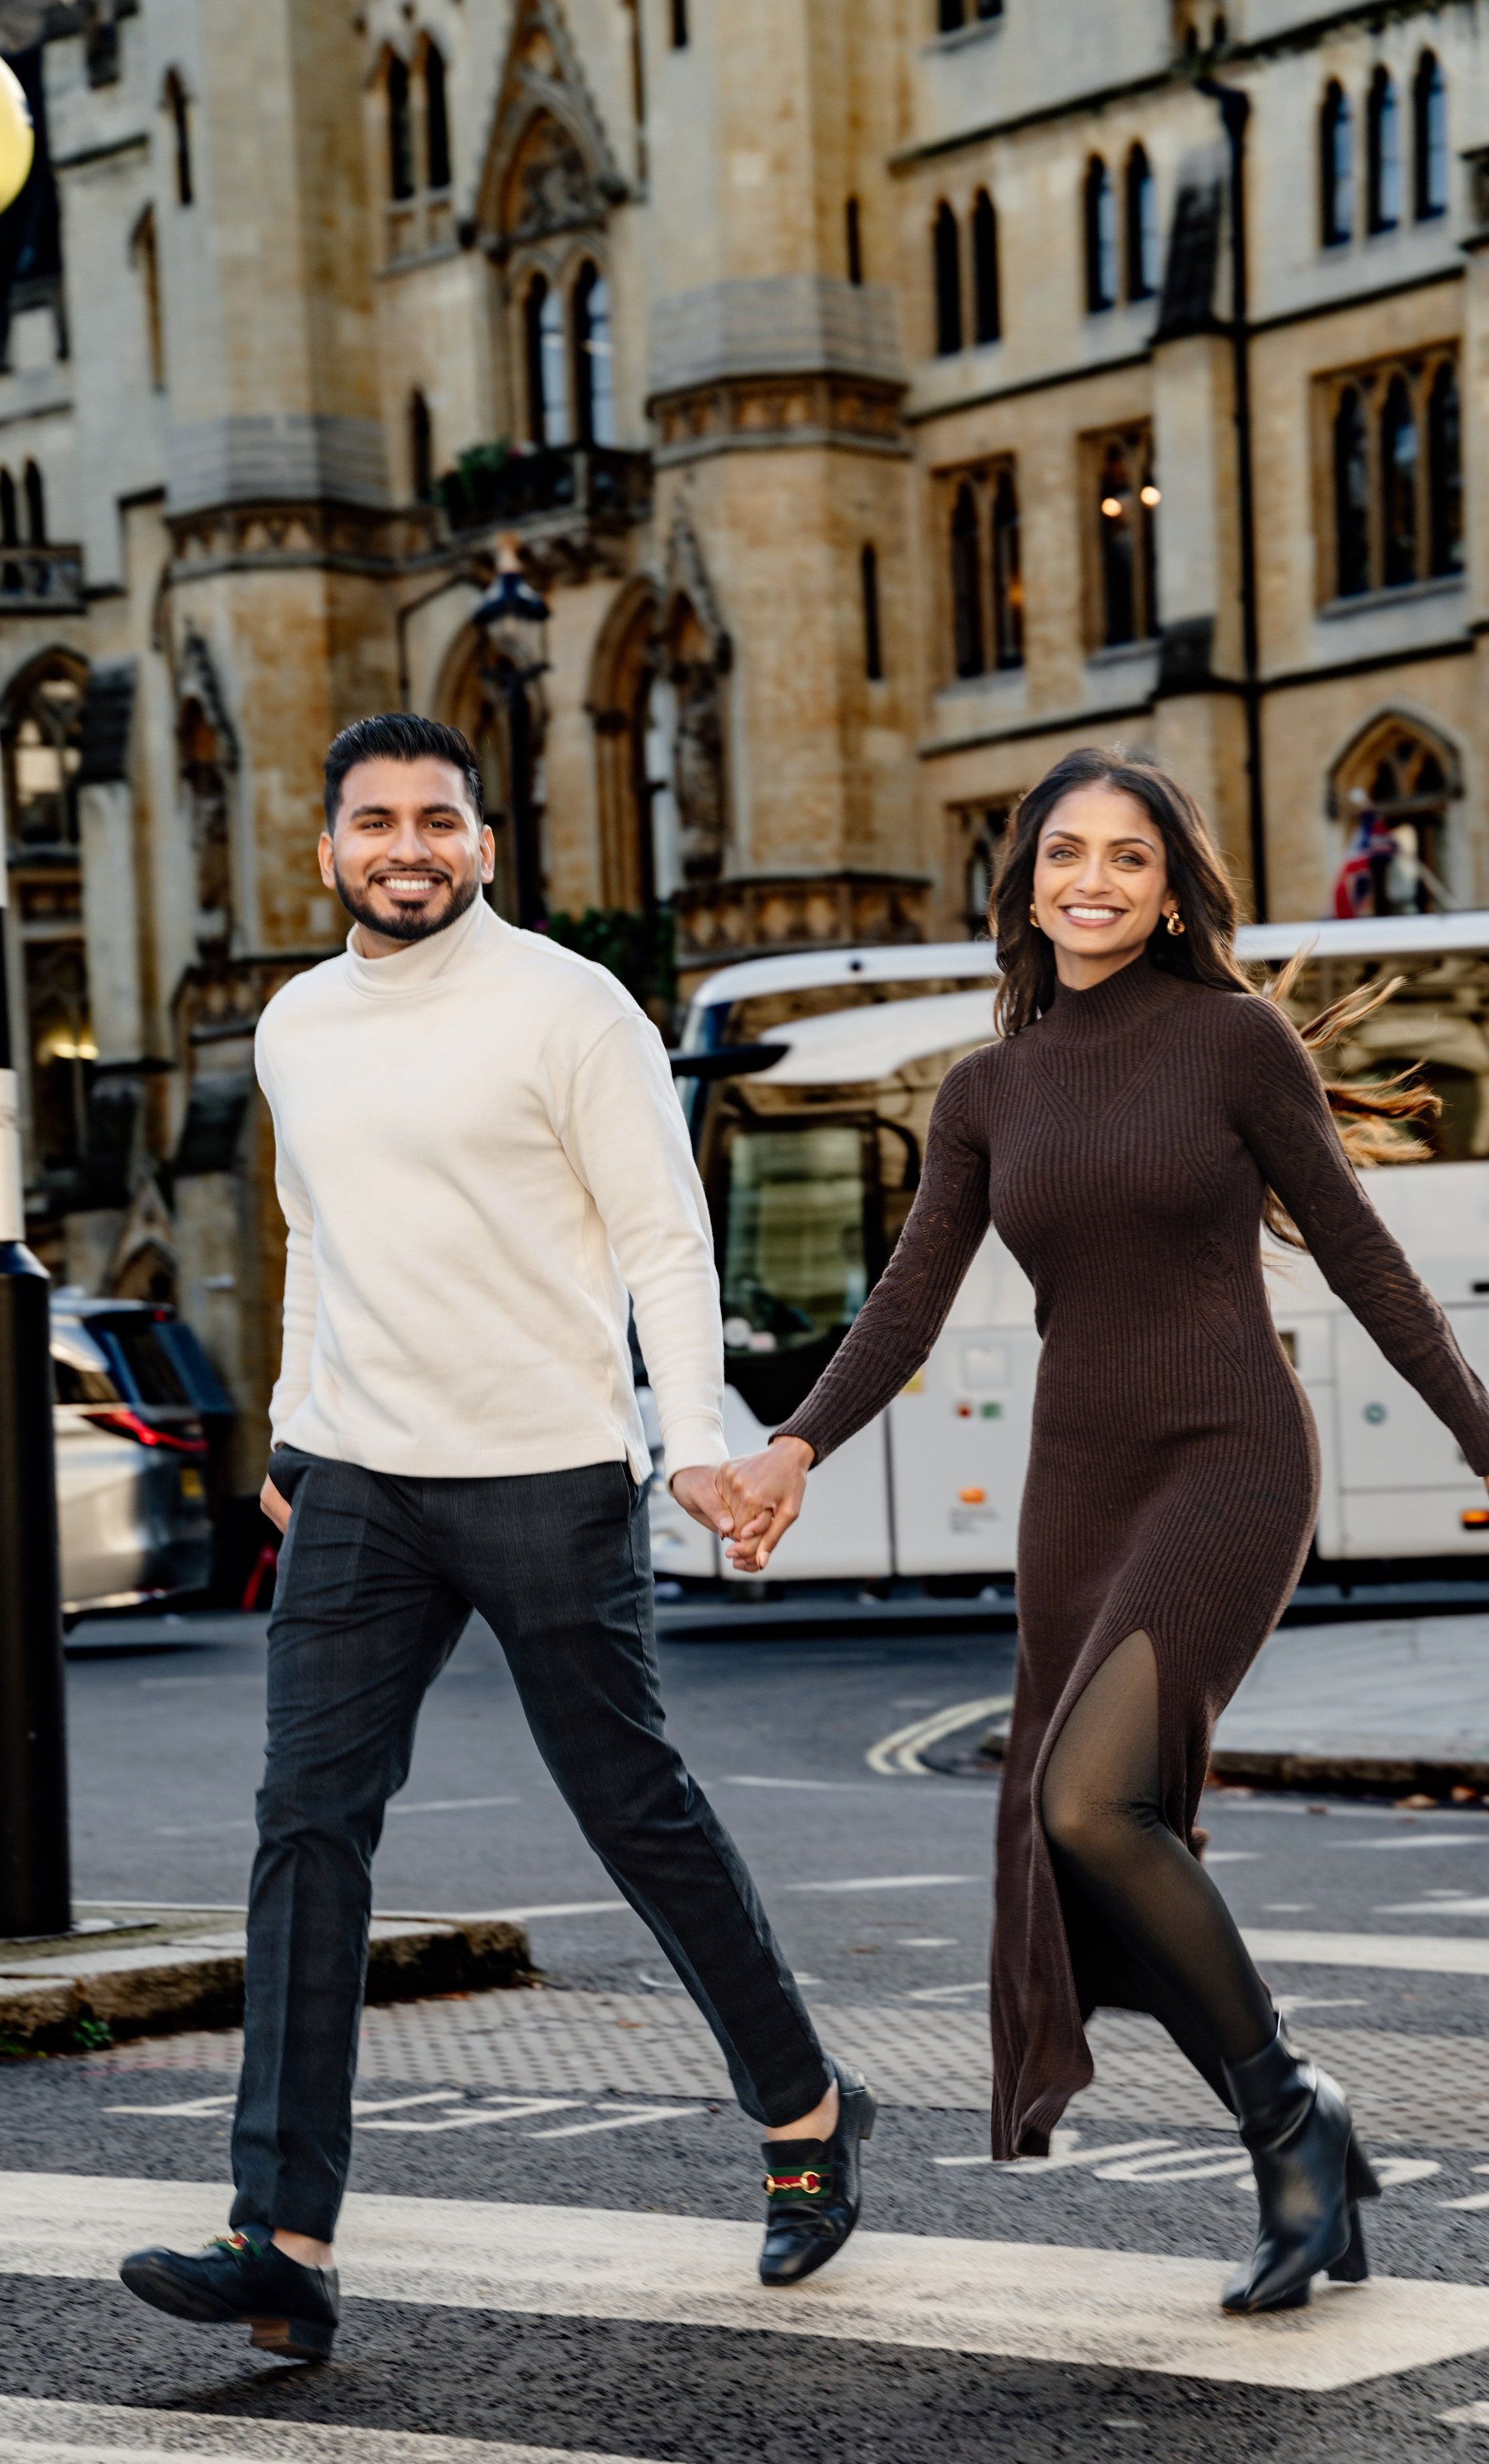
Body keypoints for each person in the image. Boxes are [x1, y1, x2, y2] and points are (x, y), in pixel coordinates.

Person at [120, 712, 870, 2362]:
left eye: (438, 820)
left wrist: (690, 1440)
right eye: (376, 821)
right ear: (325, 849)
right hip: (359, 1483)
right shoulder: (297, 1023)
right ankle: (282, 2237)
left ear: (479, 841)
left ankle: (806, 2111)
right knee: (304, 1832)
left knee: (634, 1811)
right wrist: (294, 1434)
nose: (409, 845)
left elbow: (662, 1238)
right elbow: (311, 1237)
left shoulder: (564, 1003)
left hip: (545, 1467)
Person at [718, 748, 1489, 2315]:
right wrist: (793, 1442)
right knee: (1090, 1824)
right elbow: (908, 1299)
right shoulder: (985, 1089)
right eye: (1063, 853)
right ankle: (1302, 2120)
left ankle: (1285, 2123)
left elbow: (1363, 1259)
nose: (1092, 880)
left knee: (1086, 1801)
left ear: (1167, 886)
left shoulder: (1232, 1039)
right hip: (1074, 1485)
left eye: (1127, 857)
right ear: (1021, 885)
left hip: (1229, 1456)